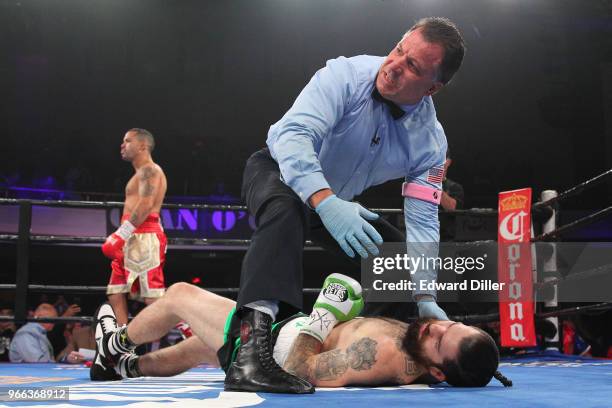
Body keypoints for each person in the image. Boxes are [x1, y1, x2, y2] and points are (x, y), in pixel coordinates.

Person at [230, 17, 466, 392]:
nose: (394, 65)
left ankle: (356, 348)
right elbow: (293, 135)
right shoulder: (344, 75)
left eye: (412, 67)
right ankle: (246, 358)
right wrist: (324, 201)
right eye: (399, 50)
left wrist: (425, 294)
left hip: (336, 201)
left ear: (433, 88)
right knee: (285, 208)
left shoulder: (430, 144)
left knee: (394, 261)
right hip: (280, 172)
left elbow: (422, 221)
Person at [90, 274, 511, 389]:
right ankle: (123, 369)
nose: (436, 326)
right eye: (450, 324)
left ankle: (115, 343)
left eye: (440, 339)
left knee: (180, 294)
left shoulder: (382, 355)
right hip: (282, 330)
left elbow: (298, 370)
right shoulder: (416, 341)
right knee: (196, 350)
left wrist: (325, 317)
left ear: (437, 371)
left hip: (270, 350)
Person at [102, 128, 168, 326]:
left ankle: (186, 331)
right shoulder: (140, 173)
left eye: (127, 141)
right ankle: (122, 345)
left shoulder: (150, 170)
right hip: (131, 235)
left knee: (152, 296)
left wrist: (120, 234)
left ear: (142, 145)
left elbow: (146, 204)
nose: (122, 145)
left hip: (144, 235)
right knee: (116, 290)